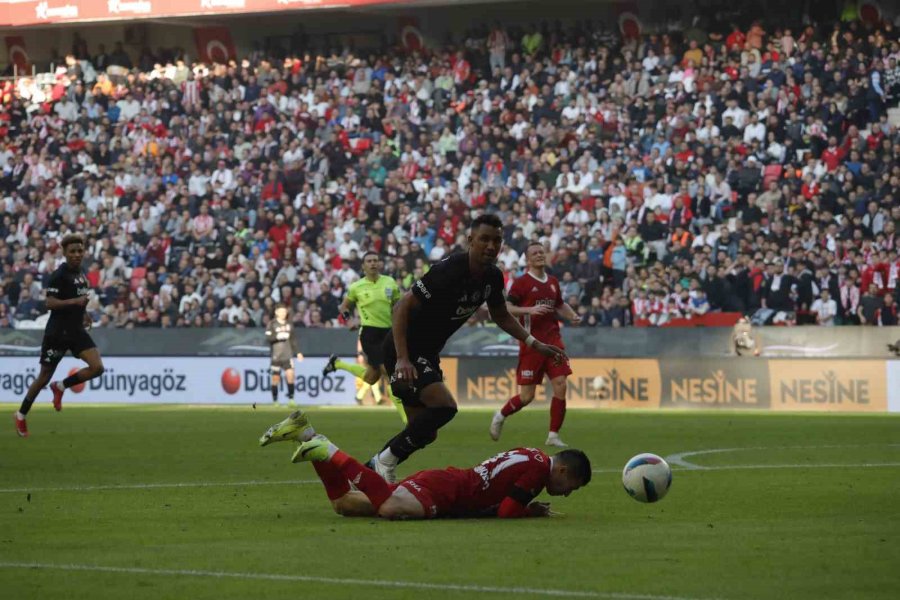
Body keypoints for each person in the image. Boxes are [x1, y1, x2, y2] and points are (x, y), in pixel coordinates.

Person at [371, 213, 566, 483]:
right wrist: (403, 359)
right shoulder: (448, 271)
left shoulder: (493, 278)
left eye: (496, 240)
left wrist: (533, 342)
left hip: (426, 352)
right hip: (403, 348)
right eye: (484, 239)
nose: (490, 246)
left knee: (425, 431)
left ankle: (374, 469)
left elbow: (500, 315)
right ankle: (384, 462)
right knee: (445, 407)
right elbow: (401, 307)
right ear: (470, 240)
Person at [259, 410, 591, 519]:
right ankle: (328, 449)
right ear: (562, 471)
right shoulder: (538, 471)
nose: (566, 494)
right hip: (447, 491)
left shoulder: (532, 454)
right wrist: (531, 511)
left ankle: (306, 434)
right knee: (388, 506)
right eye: (571, 487)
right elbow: (506, 511)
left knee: (343, 504)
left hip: (446, 482)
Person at [490, 243, 581, 447]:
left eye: (541, 252)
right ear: (528, 260)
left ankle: (553, 435)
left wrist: (572, 315)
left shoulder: (553, 282)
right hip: (531, 344)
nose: (539, 255)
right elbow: (506, 307)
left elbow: (559, 304)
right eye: (534, 253)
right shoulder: (521, 283)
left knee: (561, 384)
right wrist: (529, 310)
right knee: (527, 396)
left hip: (553, 341)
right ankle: (500, 415)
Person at [15, 234, 105, 437]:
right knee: (44, 377)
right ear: (64, 253)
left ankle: (61, 386)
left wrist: (85, 314)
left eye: (79, 251)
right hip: (57, 332)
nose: (76, 255)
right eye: (72, 251)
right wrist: (75, 303)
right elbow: (50, 303)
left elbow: (79, 301)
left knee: (97, 367)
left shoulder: (82, 274)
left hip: (75, 331)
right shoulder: (59, 275)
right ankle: (21, 415)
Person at [322, 252, 405, 423]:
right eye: (369, 261)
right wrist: (348, 320)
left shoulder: (390, 283)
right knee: (390, 374)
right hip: (369, 334)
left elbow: (399, 306)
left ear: (379, 264)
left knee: (371, 378)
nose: (373, 263)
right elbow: (344, 307)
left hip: (389, 334)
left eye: (376, 260)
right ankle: (408, 420)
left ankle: (337, 364)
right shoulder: (356, 287)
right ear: (363, 266)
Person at [265, 303, 302, 406]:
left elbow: (293, 340)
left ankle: (291, 399)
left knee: (290, 376)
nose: (283, 313)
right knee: (275, 379)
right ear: (276, 312)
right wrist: (278, 337)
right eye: (281, 311)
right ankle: (275, 400)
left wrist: (298, 352)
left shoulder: (289, 324)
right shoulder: (271, 324)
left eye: (284, 311)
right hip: (276, 356)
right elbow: (268, 338)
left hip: (288, 355)